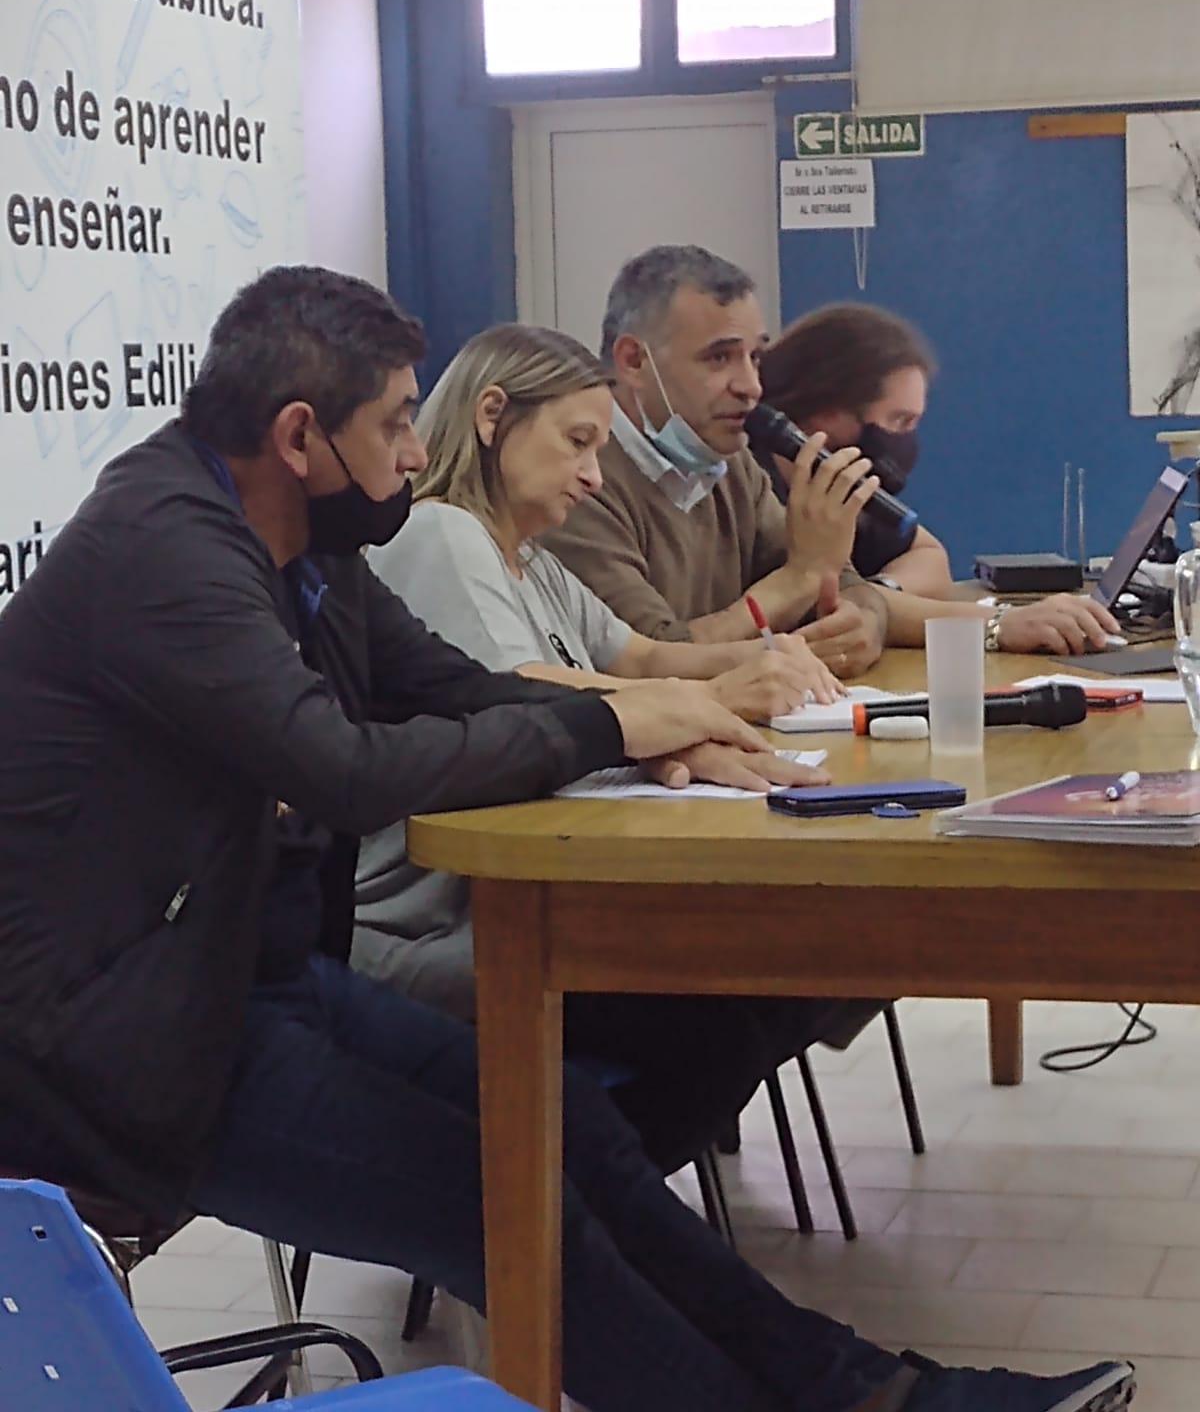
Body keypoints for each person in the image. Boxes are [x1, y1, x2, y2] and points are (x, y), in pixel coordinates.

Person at [0, 265, 1134, 1412]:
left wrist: (644, 737)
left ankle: (870, 1390)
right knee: (496, 1195)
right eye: (395, 423)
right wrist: (609, 717)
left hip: (254, 979)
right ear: (300, 436)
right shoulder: (165, 551)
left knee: (566, 1125)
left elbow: (450, 685)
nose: (412, 449)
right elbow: (342, 770)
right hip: (119, 1044)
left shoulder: (305, 544)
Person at [356, 321, 850, 1176]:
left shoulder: (531, 558)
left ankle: (585, 1201)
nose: (593, 474)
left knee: (772, 984)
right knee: (730, 1009)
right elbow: (519, 696)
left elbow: (643, 658)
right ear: (492, 416)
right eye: (578, 443)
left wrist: (762, 659)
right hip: (434, 918)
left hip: (528, 890)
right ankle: (552, 1202)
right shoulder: (442, 534)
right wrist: (697, 709)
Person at [545, 245, 1122, 663]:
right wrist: (800, 578)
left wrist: (865, 620)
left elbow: (844, 587)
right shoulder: (577, 484)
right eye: (719, 359)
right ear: (633, 361)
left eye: (754, 357)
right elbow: (657, 657)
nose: (750, 386)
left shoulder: (727, 461)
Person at [752, 302, 951, 596]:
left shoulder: (843, 487)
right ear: (826, 413)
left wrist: (879, 593)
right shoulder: (743, 486)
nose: (907, 439)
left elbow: (930, 556)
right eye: (899, 420)